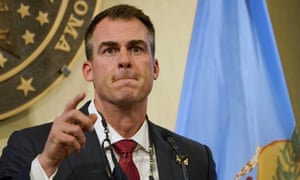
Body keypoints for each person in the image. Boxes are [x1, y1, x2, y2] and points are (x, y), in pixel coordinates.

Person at [0, 4, 217, 180]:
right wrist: (46, 166)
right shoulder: (33, 146)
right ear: (89, 70)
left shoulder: (196, 159)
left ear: (155, 68)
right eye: (110, 50)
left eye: (136, 48)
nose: (124, 60)